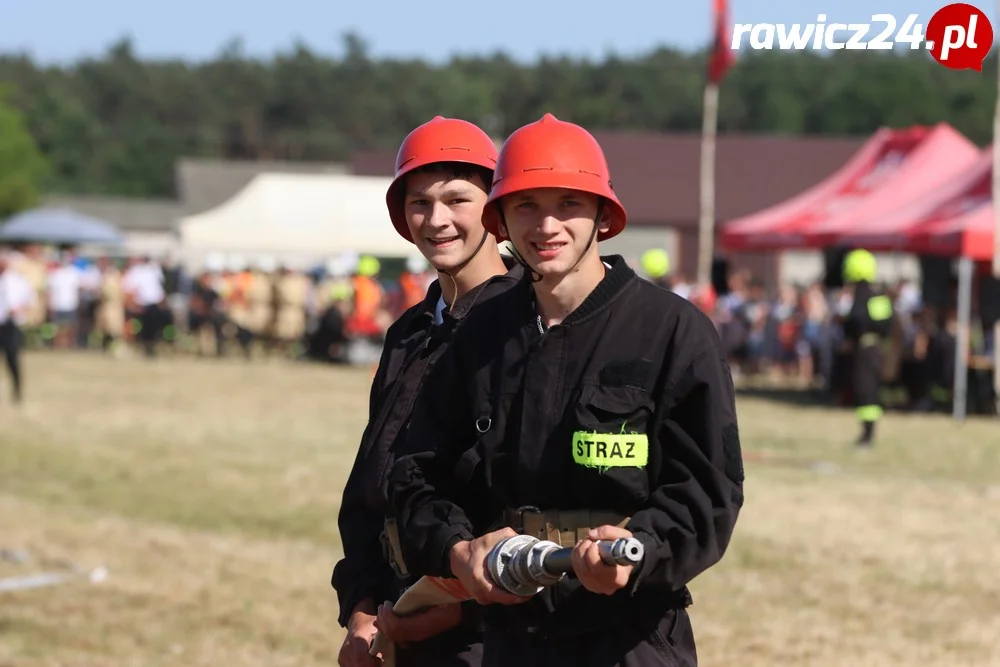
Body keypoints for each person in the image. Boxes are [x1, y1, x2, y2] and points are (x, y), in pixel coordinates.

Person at [388, 113, 744, 667]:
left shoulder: (673, 332)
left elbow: (707, 493)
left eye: (569, 204)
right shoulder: (480, 335)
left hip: (633, 637)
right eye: (526, 205)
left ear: (603, 216)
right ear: (500, 218)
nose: (546, 225)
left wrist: (641, 552)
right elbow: (417, 473)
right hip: (510, 639)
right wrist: (458, 551)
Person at [332, 116, 523, 667]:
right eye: (419, 202)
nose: (436, 220)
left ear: (493, 207)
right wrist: (362, 605)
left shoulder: (526, 327)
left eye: (457, 199)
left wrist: (460, 608)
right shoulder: (409, 331)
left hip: (489, 631)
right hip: (396, 612)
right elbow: (373, 479)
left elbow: (528, 498)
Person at [841, 249, 894, 446]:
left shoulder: (864, 297)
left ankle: (868, 434)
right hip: (872, 350)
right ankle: (866, 431)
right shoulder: (875, 295)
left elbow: (861, 322)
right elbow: (886, 323)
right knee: (865, 389)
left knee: (867, 389)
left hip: (868, 350)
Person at [0, 251, 36, 404]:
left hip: (11, 323)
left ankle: (17, 391)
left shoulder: (18, 281)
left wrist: (19, 309)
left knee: (13, 359)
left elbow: (30, 299)